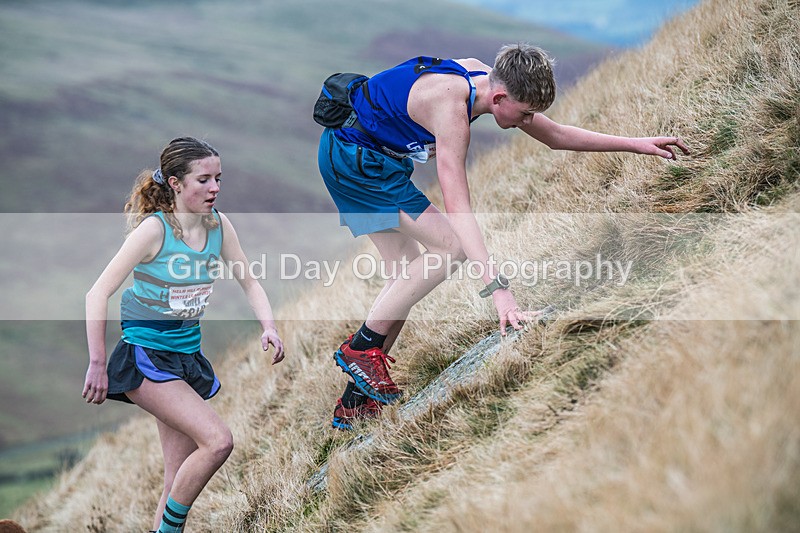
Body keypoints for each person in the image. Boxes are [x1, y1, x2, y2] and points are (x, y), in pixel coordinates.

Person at [318, 44, 689, 430]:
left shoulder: (486, 79)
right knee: (451, 247)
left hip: (366, 155)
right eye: (526, 112)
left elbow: (557, 135)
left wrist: (638, 144)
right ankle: (362, 349)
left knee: (410, 277)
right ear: (500, 98)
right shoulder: (451, 110)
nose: (530, 119)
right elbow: (458, 207)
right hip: (354, 160)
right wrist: (499, 292)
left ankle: (355, 403)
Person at [82, 137, 285, 533]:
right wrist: (97, 363)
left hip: (186, 357)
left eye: (218, 179)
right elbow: (98, 292)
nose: (215, 188)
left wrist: (269, 327)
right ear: (175, 183)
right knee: (218, 441)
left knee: (175, 480)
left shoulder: (220, 226)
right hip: (147, 357)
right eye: (203, 180)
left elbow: (250, 282)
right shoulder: (153, 232)